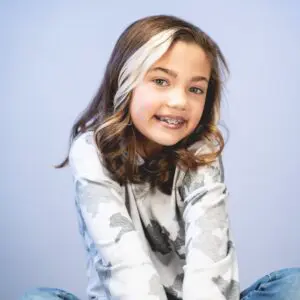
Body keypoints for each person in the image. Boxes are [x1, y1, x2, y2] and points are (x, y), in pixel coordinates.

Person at [21, 15, 300, 300]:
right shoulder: (91, 153)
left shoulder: (200, 153)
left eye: (195, 89)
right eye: (160, 80)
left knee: (294, 286)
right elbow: (124, 266)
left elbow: (210, 264)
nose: (179, 101)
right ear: (125, 83)